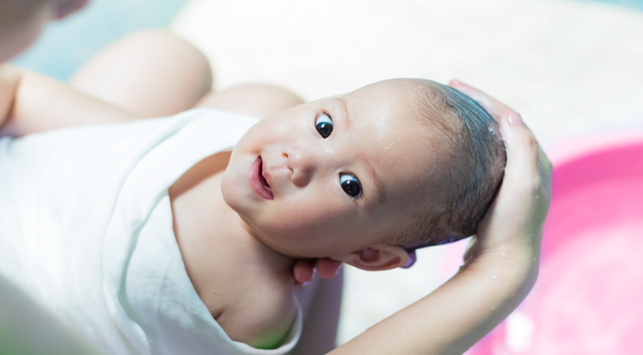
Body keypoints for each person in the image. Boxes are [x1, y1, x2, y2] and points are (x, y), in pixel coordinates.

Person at [0, 24, 550, 355]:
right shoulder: (271, 285)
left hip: (29, 269)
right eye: (326, 125)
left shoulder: (252, 308)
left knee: (204, 77)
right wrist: (336, 243)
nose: (298, 159)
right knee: (238, 90)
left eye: (351, 184)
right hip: (52, 187)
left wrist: (498, 266)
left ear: (368, 255)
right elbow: (34, 100)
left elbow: (20, 91)